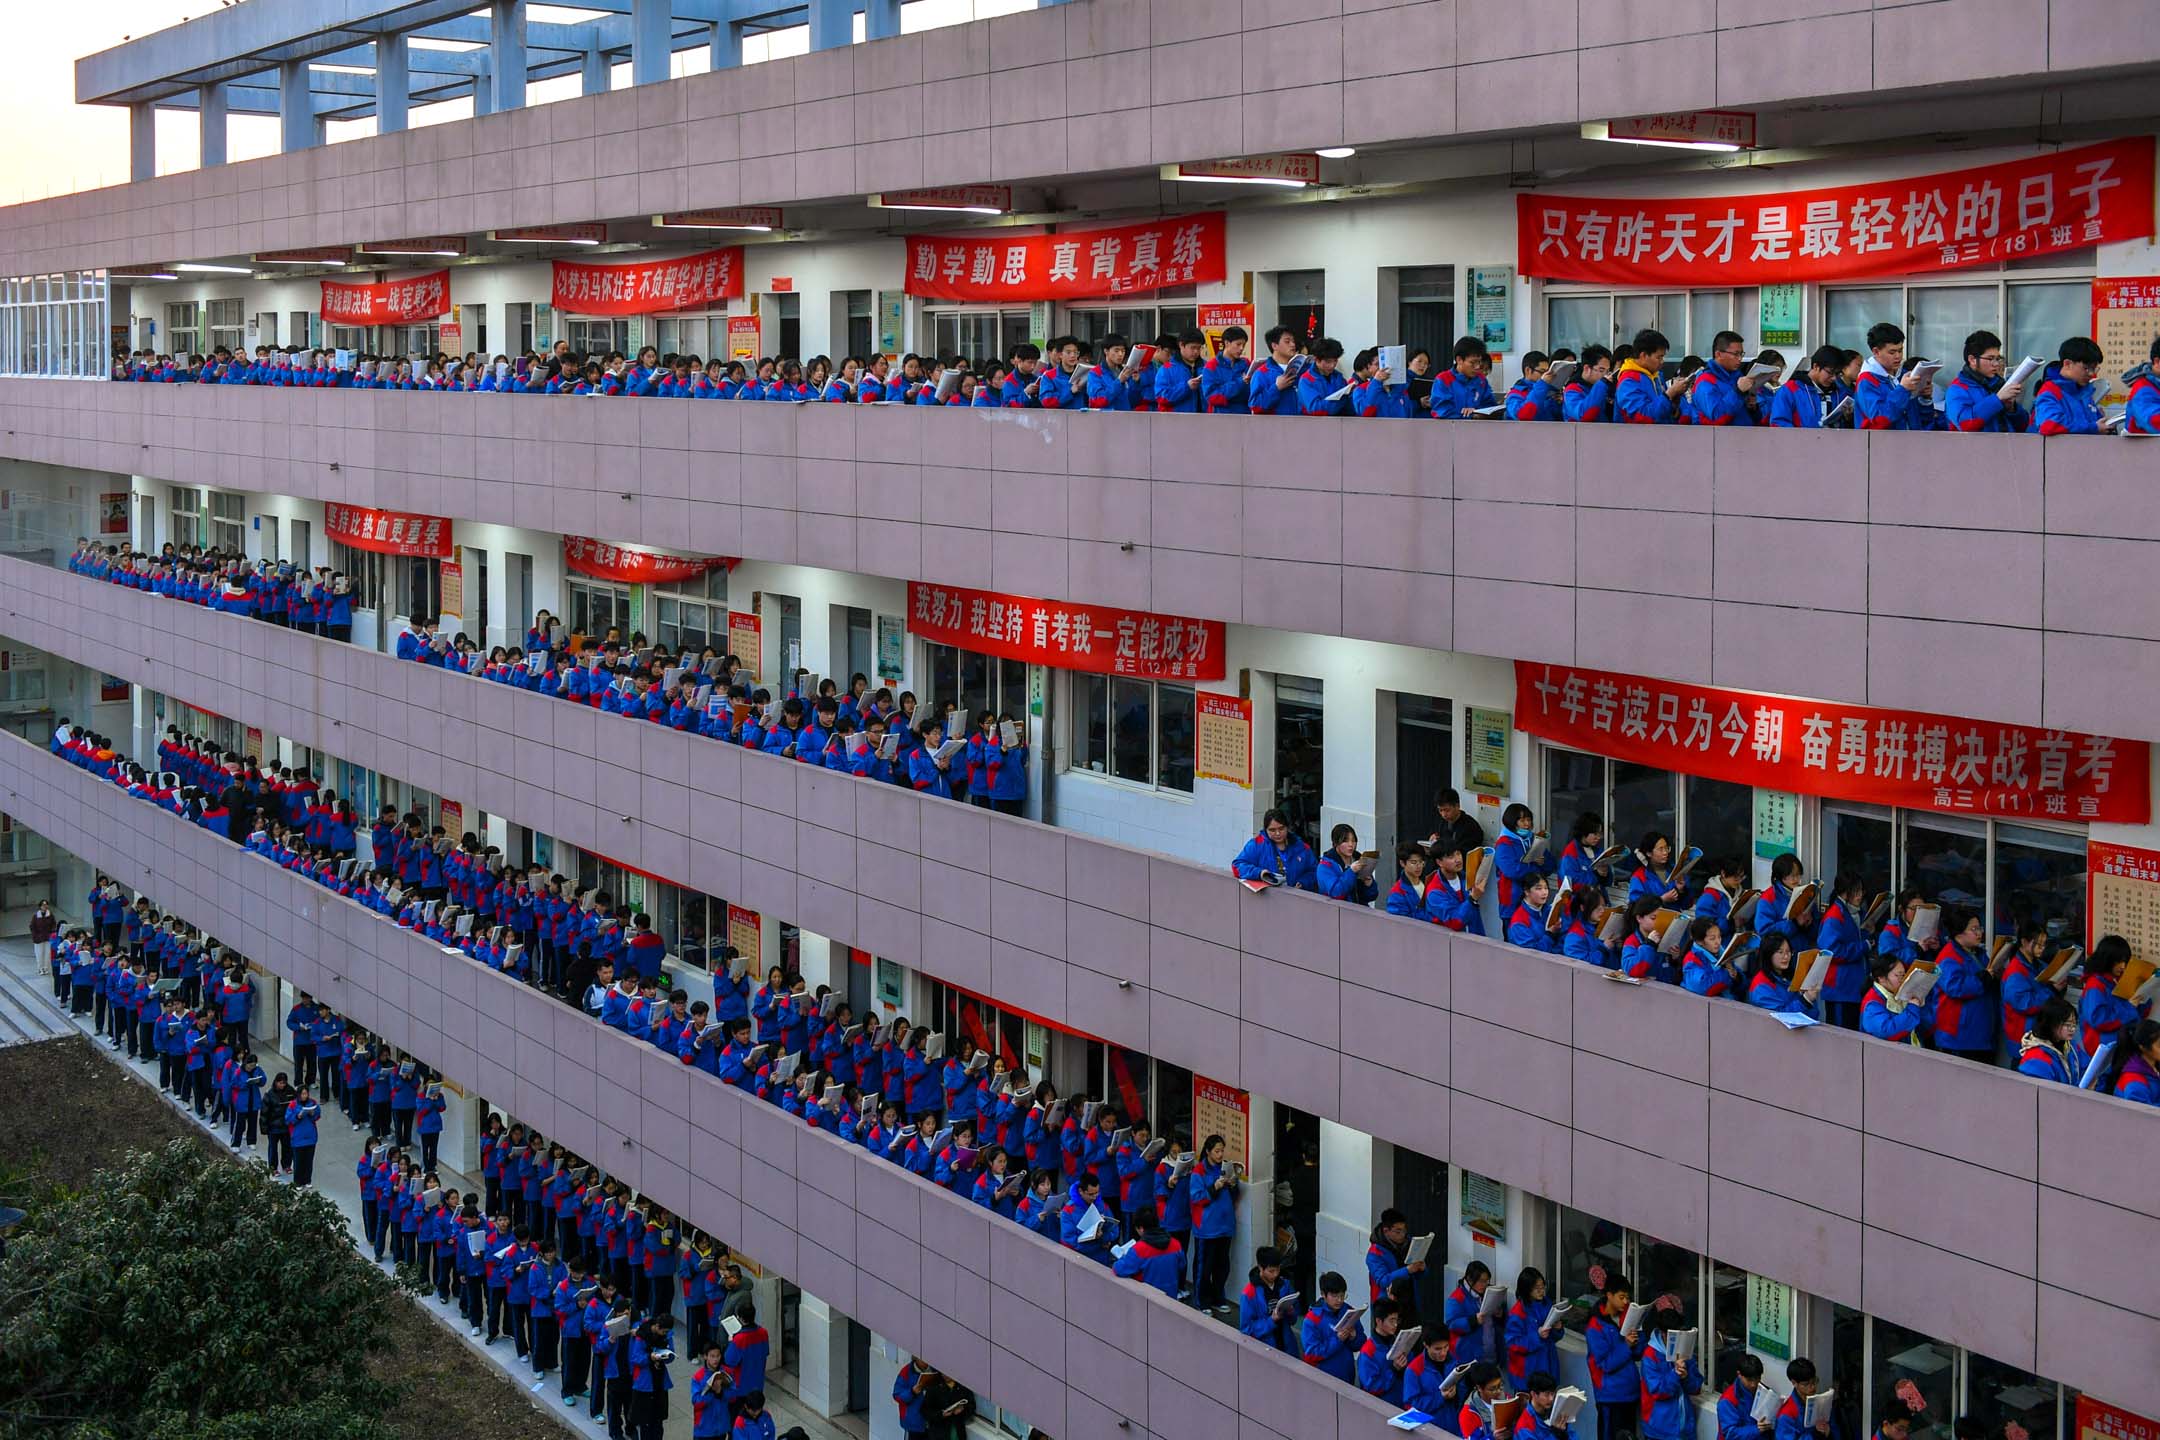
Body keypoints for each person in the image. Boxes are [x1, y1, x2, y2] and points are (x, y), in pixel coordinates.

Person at [1583, 1271, 1648, 1440]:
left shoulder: (1628, 1315)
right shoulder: (1595, 1326)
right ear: (1609, 1295)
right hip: (1610, 1396)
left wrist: (1638, 1335)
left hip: (1630, 1393)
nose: (1626, 1301)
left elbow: (1638, 1353)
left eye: (1627, 1297)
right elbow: (1605, 1363)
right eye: (1621, 1297)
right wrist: (1626, 1345)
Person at [1942, 329, 2030, 432]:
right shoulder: (1957, 389)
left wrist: (2012, 409)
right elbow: (1965, 424)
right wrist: (1998, 399)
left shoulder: (1999, 384)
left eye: (1998, 358)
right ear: (1972, 360)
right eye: (1990, 358)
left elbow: (2023, 427)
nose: (1996, 364)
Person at [1189, 1132, 1238, 1308]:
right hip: (1207, 1228)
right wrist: (1214, 1187)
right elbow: (1196, 1198)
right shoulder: (1198, 1172)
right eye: (1217, 1151)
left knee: (1222, 1266)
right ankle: (1202, 1301)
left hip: (1225, 1226)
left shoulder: (1225, 1168)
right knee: (1204, 1268)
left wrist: (1233, 1185)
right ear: (1208, 1151)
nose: (1220, 1155)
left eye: (1222, 1151)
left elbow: (1234, 1196)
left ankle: (1219, 1298)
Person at [1504, 1266, 1561, 1393]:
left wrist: (1557, 1329)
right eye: (1537, 1288)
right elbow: (1512, 1343)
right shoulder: (1518, 1313)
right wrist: (1537, 1336)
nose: (1541, 1291)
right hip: (1527, 1374)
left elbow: (1553, 1337)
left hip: (1548, 1365)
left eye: (1543, 1287)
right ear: (1527, 1289)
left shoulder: (1547, 1304)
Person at [1230, 810, 1317, 892]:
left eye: (1281, 828)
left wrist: (1303, 882)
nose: (1278, 833)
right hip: (1266, 898)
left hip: (1295, 897)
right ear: (1265, 830)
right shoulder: (1257, 845)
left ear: (1287, 827)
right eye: (1272, 830)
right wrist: (1259, 873)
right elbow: (1236, 866)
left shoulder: (1302, 847)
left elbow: (1314, 871)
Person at [1300, 1270, 1362, 1382]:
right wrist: (1337, 1340)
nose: (1339, 1300)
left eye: (1342, 1295)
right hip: (1322, 1379)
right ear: (1323, 1294)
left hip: (1347, 1376)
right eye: (1334, 1296)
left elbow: (1360, 1343)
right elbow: (1311, 1354)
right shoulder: (1312, 1320)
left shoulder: (1349, 1312)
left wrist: (1354, 1337)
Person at [1238, 1245, 1298, 1353]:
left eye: (1278, 1269)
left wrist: (1291, 1312)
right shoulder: (1249, 1293)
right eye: (1271, 1271)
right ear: (1261, 1268)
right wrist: (1271, 1321)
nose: (1275, 1274)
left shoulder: (1285, 1284)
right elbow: (1246, 1329)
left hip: (1287, 1346)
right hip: (1264, 1350)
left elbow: (1293, 1320)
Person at [1356, 1298, 1412, 1404]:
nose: (1395, 1324)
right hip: (1381, 1407)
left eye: (1397, 1320)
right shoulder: (1368, 1351)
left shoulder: (1398, 1341)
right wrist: (1394, 1370)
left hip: (1402, 1402)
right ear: (1378, 1321)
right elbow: (1372, 1387)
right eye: (1391, 1320)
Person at [1318, 824, 1379, 905]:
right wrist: (1351, 872)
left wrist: (1369, 884)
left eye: (1353, 840)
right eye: (1345, 841)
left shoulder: (1359, 859)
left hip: (1359, 911)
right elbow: (1336, 892)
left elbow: (1371, 896)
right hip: (1336, 912)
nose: (1350, 845)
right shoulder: (1325, 866)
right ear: (1336, 843)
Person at [286, 1085, 320, 1188]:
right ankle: (298, 1182)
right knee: (298, 1161)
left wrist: (312, 1114)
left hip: (310, 1137)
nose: (304, 1096)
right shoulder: (292, 1105)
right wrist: (298, 1116)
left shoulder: (313, 1103)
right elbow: (288, 1120)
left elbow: (317, 1115)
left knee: (309, 1161)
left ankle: (307, 1180)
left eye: (306, 1093)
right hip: (298, 1137)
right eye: (302, 1094)